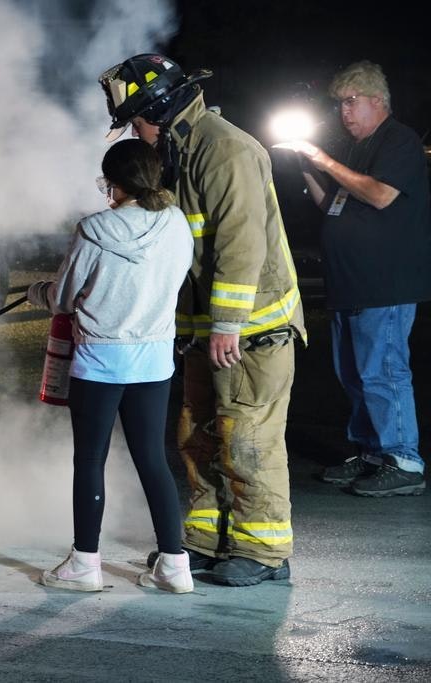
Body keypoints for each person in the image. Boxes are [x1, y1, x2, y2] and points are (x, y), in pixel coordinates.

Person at [98, 54, 306, 586]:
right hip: (203, 333)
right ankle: (205, 541)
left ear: (161, 109)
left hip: (251, 332)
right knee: (198, 437)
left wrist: (228, 323)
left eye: (138, 121)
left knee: (246, 440)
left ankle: (262, 552)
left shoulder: (225, 150)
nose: (137, 134)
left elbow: (241, 243)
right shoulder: (179, 154)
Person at [27, 138, 194, 594]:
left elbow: (63, 297)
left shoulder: (94, 229)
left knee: (91, 460)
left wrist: (37, 291)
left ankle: (85, 563)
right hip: (154, 360)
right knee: (153, 460)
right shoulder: (176, 223)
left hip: (99, 361)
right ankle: (175, 565)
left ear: (115, 184)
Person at [276, 61, 429, 496]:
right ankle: (371, 452)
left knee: (382, 371)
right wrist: (305, 165)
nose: (344, 112)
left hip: (384, 284)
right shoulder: (355, 149)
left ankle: (404, 461)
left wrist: (322, 157)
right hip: (351, 284)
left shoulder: (397, 141)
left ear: (377, 102)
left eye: (351, 102)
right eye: (340, 104)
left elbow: (379, 196)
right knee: (355, 374)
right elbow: (333, 205)